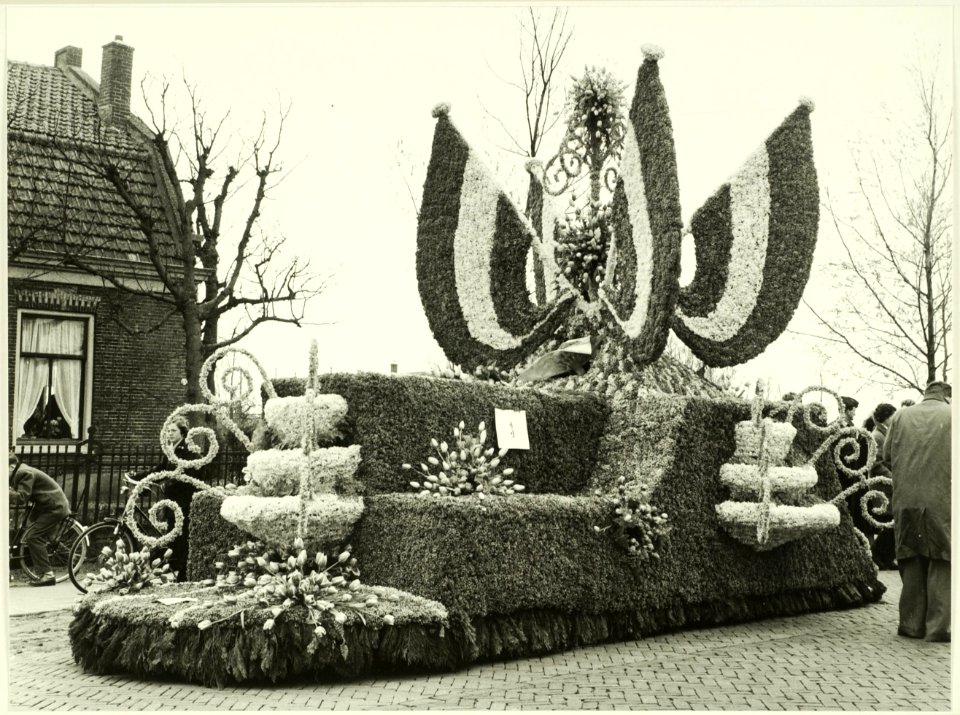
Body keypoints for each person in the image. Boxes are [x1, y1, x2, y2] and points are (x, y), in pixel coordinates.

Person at [883, 381, 951, 642]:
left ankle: (911, 625)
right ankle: (938, 628)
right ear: (946, 396)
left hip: (906, 500)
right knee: (942, 560)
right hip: (942, 499)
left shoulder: (901, 415)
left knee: (910, 557)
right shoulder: (953, 415)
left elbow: (887, 456)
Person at [133, 417, 203, 582]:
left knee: (182, 539)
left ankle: (184, 576)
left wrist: (169, 483)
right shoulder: (171, 450)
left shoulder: (188, 451)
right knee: (174, 538)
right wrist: (138, 477)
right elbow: (159, 470)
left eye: (173, 431)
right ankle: (177, 571)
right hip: (173, 504)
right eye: (168, 431)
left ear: (182, 433)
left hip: (183, 502)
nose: (169, 434)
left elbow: (191, 474)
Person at [8, 453, 71, 586]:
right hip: (45, 507)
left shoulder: (24, 472)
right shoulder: (19, 472)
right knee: (30, 531)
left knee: (33, 537)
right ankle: (67, 555)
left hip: (54, 508)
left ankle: (47, 574)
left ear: (11, 466)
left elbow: (21, 497)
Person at [869, 403, 897, 570]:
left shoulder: (883, 433)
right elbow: (877, 464)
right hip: (884, 486)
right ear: (887, 416)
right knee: (890, 525)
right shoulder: (878, 435)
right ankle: (878, 555)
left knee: (892, 524)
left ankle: (885, 557)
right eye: (893, 415)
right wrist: (894, 478)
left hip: (887, 485)